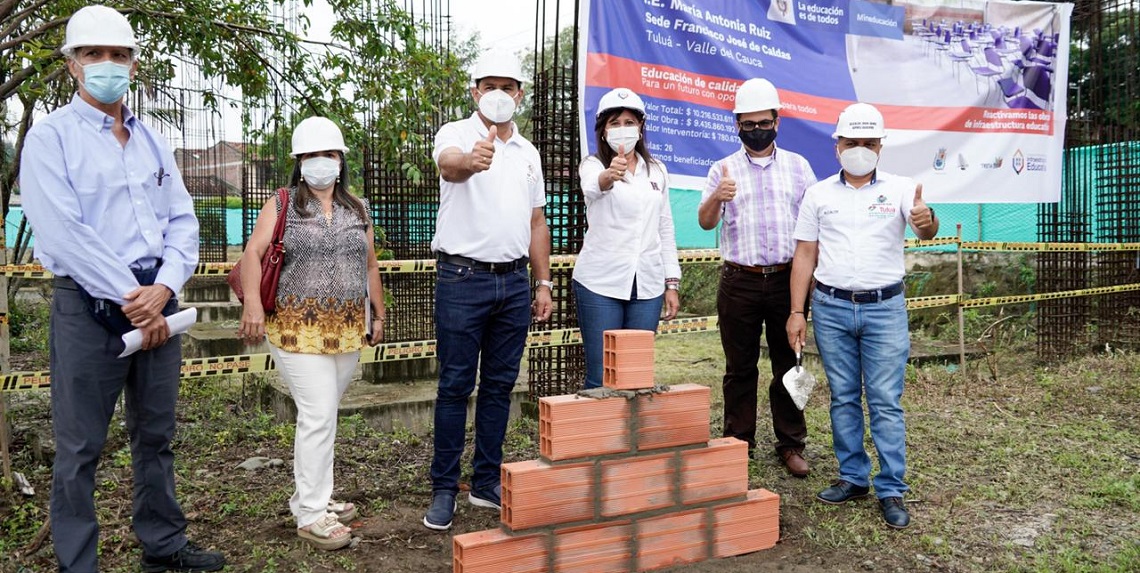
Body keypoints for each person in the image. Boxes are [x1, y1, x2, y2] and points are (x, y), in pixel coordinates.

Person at [17, 6, 225, 571]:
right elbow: (64, 231)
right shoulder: (51, 139)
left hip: (156, 299)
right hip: (88, 304)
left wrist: (161, 288)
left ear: (134, 63)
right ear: (72, 66)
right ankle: (78, 563)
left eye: (119, 54)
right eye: (93, 54)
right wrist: (133, 299)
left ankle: (163, 548)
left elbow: (182, 221)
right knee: (80, 447)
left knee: (155, 435)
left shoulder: (152, 140)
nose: (107, 64)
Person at [786, 102, 938, 529]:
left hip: (885, 309)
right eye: (852, 142)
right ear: (837, 145)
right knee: (844, 397)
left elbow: (925, 227)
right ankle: (853, 477)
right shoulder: (818, 194)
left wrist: (928, 221)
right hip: (831, 308)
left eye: (869, 143)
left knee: (886, 401)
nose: (860, 150)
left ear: (880, 146)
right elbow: (805, 254)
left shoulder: (902, 189)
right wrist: (797, 311)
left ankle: (891, 488)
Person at [237, 116, 386, 550]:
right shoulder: (282, 203)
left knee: (324, 415)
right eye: (312, 155)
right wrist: (251, 305)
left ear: (341, 160)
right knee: (319, 414)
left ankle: (310, 496)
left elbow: (370, 264)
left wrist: (377, 313)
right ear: (299, 161)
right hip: (294, 329)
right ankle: (312, 515)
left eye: (330, 154)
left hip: (346, 329)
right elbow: (253, 252)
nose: (321, 162)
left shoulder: (357, 208)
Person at [422, 48, 553, 531]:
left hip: (514, 283)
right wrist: (471, 161)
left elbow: (537, 221)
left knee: (499, 386)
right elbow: (448, 166)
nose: (499, 94)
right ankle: (443, 488)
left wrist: (542, 282)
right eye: (489, 85)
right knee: (455, 384)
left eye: (508, 86)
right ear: (475, 90)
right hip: (462, 278)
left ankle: (485, 482)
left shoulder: (529, 153)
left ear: (520, 94)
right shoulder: (456, 135)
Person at [698, 78, 817, 477]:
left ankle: (790, 443)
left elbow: (813, 228)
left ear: (776, 122)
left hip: (787, 281)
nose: (755, 130)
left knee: (789, 362)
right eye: (747, 124)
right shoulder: (722, 169)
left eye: (762, 122)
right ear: (736, 125)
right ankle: (738, 443)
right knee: (740, 366)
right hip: (740, 281)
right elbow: (704, 221)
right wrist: (718, 196)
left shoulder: (799, 168)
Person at [573, 87, 681, 389]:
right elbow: (594, 187)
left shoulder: (657, 170)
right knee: (601, 375)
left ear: (641, 127)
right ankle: (598, 436)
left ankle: (631, 438)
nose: (623, 129)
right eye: (615, 123)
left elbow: (665, 227)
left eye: (629, 122)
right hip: (600, 283)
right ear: (603, 130)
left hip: (646, 285)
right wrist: (610, 174)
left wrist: (671, 282)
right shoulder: (593, 164)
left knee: (636, 374)